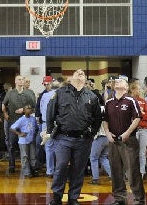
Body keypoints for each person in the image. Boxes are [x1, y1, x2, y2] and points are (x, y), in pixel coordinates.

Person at [46, 69, 102, 205]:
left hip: (83, 140)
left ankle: (73, 198)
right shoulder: (60, 93)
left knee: (78, 169)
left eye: (82, 73)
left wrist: (92, 133)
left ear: (85, 79)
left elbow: (98, 118)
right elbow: (50, 114)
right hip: (63, 138)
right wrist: (51, 132)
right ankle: (57, 197)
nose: (80, 73)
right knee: (61, 167)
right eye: (77, 72)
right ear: (70, 78)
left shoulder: (92, 96)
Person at [103, 77, 145, 205]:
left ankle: (139, 199)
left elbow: (138, 117)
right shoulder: (108, 101)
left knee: (132, 171)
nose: (118, 82)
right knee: (115, 171)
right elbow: (105, 119)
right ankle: (119, 198)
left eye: (121, 81)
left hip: (128, 141)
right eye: (117, 81)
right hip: (113, 141)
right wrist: (107, 134)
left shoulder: (131, 100)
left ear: (126, 87)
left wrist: (127, 133)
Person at [2, 75, 36, 173]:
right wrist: (5, 114)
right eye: (19, 79)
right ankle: (12, 165)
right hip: (13, 123)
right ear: (15, 81)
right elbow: (3, 104)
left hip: (26, 124)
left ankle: (28, 167)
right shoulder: (10, 93)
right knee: (11, 145)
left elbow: (34, 108)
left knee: (27, 146)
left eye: (22, 79)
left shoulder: (29, 93)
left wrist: (23, 110)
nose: (21, 81)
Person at [128, 80, 147, 178]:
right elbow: (129, 116)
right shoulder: (128, 100)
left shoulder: (143, 100)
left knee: (142, 152)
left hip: (144, 129)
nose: (139, 90)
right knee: (132, 152)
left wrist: (139, 116)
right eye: (137, 88)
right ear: (132, 89)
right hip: (133, 130)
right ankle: (132, 173)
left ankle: (141, 172)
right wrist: (140, 116)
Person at [10, 104, 39, 178]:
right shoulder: (21, 119)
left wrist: (34, 135)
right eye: (27, 108)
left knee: (33, 156)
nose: (29, 109)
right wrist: (19, 133)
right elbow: (12, 128)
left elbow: (36, 128)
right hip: (23, 141)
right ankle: (26, 172)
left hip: (31, 140)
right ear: (24, 110)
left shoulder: (33, 119)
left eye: (30, 108)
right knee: (25, 156)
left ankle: (33, 170)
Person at [40, 80, 61, 177]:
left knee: (48, 147)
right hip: (59, 124)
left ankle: (49, 171)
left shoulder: (45, 96)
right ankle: (59, 170)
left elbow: (41, 109)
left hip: (46, 123)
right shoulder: (62, 95)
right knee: (60, 147)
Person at [89, 106, 111, 185]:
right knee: (103, 157)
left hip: (100, 136)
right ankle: (113, 175)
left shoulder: (96, 109)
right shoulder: (108, 108)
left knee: (93, 158)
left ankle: (95, 179)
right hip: (108, 137)